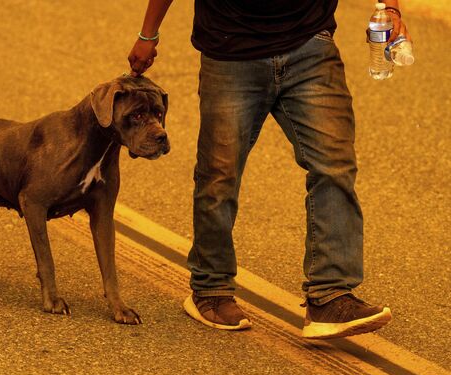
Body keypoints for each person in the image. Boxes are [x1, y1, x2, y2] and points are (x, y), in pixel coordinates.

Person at [128, 0, 409, 339]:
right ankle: (211, 286)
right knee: (220, 177)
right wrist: (149, 33)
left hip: (310, 45)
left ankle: (330, 295)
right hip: (229, 50)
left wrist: (390, 9)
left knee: (334, 165)